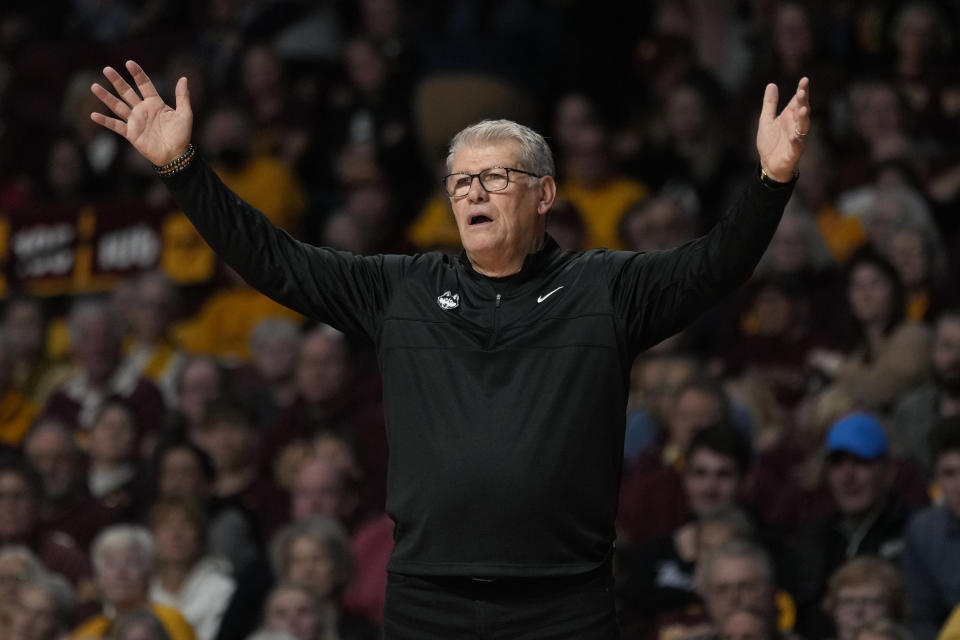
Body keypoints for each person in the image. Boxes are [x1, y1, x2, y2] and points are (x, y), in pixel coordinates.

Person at [89, 60, 810, 638]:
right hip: (427, 600)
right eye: (461, 180)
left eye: (495, 176)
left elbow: (716, 263)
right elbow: (273, 259)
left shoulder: (607, 290)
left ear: (545, 192)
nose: (474, 190)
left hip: (565, 602)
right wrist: (182, 168)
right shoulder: (399, 288)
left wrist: (771, 181)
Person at [901, 416, 960, 640]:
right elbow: (919, 619)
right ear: (936, 479)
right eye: (949, 474)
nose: (959, 485)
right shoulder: (923, 531)